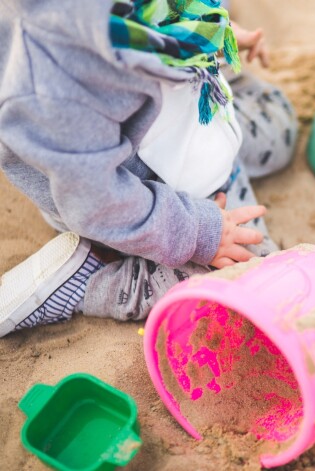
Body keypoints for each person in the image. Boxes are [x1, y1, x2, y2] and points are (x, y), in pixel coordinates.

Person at [0, 0, 298, 337]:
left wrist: (212, 33)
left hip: (191, 121)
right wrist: (200, 233)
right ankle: (92, 278)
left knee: (281, 128)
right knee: (254, 273)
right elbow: (99, 204)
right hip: (147, 202)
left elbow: (172, 11)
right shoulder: (51, 82)